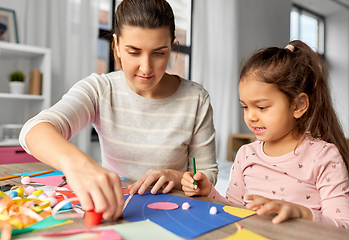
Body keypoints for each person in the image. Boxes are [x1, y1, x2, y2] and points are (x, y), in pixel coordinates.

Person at [20, 0, 217, 221]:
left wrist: (177, 176)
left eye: (159, 53)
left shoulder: (196, 98)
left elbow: (207, 174)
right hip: (119, 210)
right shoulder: (100, 89)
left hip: (177, 215)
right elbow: (32, 131)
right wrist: (80, 165)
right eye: (133, 52)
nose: (146, 68)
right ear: (116, 45)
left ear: (171, 46)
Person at [181, 40, 349, 230]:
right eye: (245, 106)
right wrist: (209, 192)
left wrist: (300, 213)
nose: (251, 116)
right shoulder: (245, 154)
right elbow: (234, 210)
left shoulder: (323, 156)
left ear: (298, 106)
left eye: (262, 107)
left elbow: (346, 229)